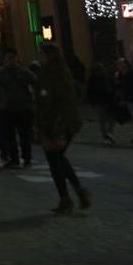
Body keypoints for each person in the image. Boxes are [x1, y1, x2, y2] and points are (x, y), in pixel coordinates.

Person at [35, 43, 90, 215]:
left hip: (56, 124)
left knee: (55, 161)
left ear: (49, 55)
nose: (39, 56)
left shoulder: (50, 74)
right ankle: (78, 192)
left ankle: (67, 198)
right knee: (58, 159)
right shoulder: (63, 72)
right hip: (66, 122)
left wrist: (44, 122)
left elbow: (49, 100)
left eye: (42, 53)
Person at [0, 48, 36, 168]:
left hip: (21, 108)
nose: (10, 60)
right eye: (8, 58)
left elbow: (34, 82)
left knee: (23, 135)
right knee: (12, 136)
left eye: (12, 57)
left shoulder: (23, 71)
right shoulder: (1, 72)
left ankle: (25, 158)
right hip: (8, 108)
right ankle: (16, 158)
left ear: (16, 58)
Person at [85, 62, 117, 145]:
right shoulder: (106, 76)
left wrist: (92, 101)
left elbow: (89, 91)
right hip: (108, 100)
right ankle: (109, 132)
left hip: (99, 101)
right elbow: (113, 87)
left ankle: (105, 136)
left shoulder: (92, 78)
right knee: (111, 117)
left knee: (102, 119)